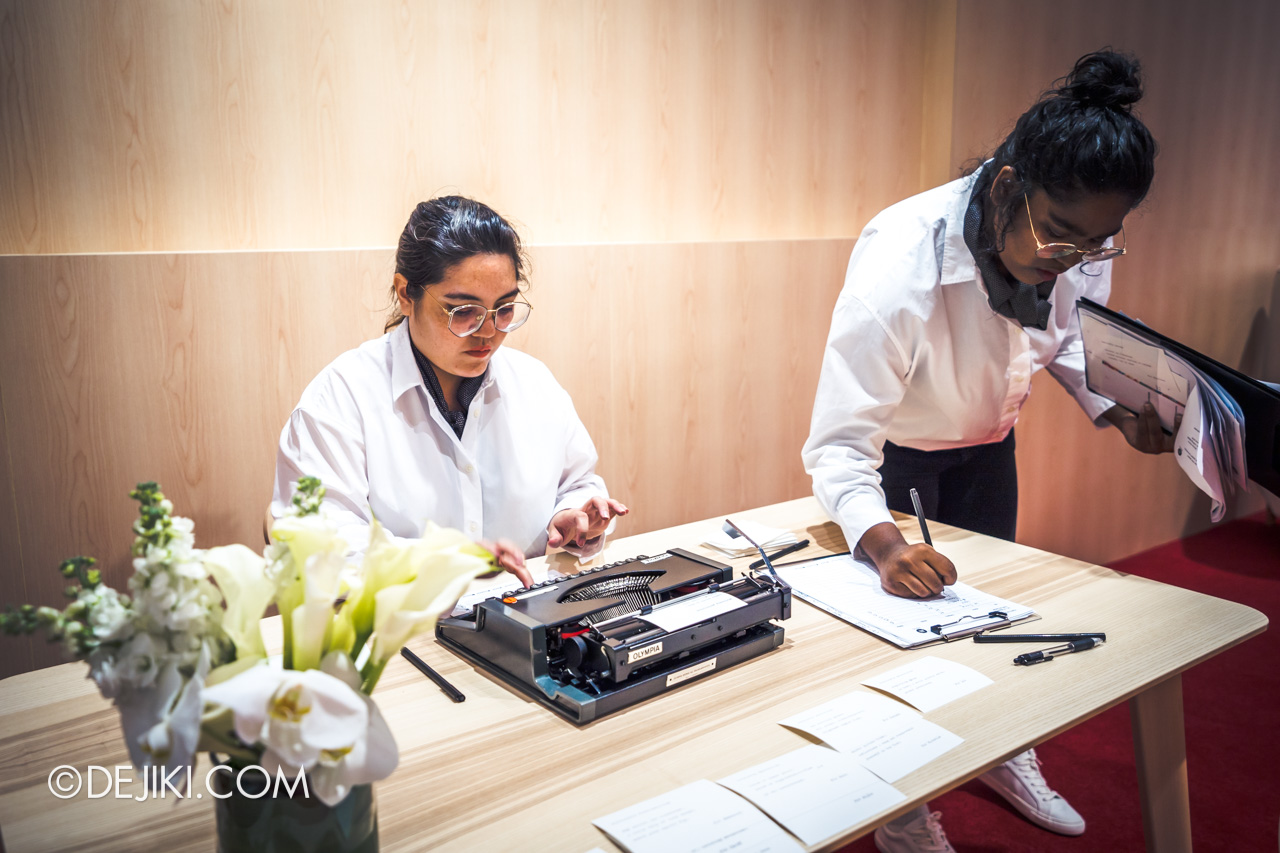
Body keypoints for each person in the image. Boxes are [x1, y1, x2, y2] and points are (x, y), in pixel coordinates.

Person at [802, 51, 1162, 852]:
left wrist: (1117, 410)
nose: (1071, 258)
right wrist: (885, 542)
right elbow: (836, 448)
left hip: (989, 449)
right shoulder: (901, 257)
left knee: (986, 622)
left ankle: (999, 751)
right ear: (1005, 187)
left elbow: (1062, 339)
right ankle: (898, 811)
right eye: (1062, 236)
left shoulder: (1066, 240)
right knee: (898, 647)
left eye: (1096, 244)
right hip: (901, 468)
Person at [273, 196, 627, 587]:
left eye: (504, 309)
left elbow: (578, 482)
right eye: (463, 312)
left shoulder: (535, 384)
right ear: (406, 294)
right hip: (401, 633)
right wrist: (448, 559)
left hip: (524, 620)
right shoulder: (341, 399)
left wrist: (573, 516)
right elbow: (319, 548)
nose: (488, 332)